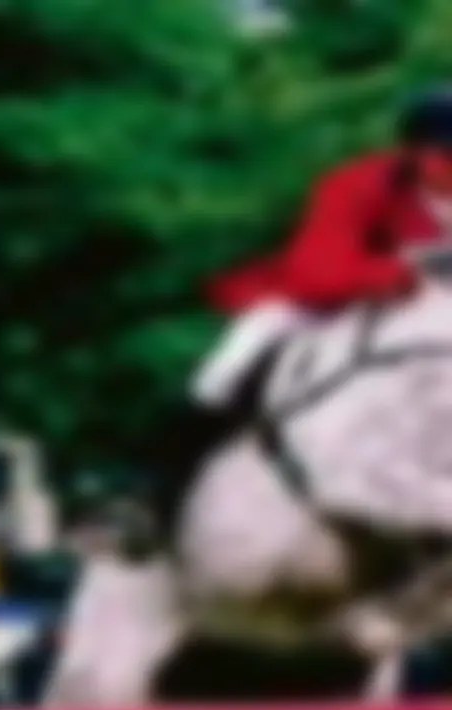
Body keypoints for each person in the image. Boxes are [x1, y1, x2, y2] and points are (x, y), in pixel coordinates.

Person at [154, 84, 452, 529]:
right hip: (339, 304)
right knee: (226, 365)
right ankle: (153, 497)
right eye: (444, 155)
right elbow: (318, 268)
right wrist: (399, 273)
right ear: (414, 152)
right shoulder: (356, 184)